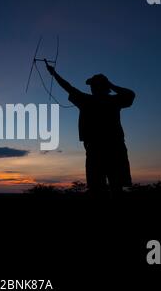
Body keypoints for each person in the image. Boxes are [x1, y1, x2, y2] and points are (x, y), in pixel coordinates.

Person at [45, 59, 135, 196]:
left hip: (100, 149)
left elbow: (67, 87)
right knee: (112, 187)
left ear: (99, 87)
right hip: (113, 148)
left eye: (93, 85)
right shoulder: (114, 100)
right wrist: (54, 74)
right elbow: (130, 95)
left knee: (101, 188)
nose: (91, 88)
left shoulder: (88, 100)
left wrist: (54, 74)